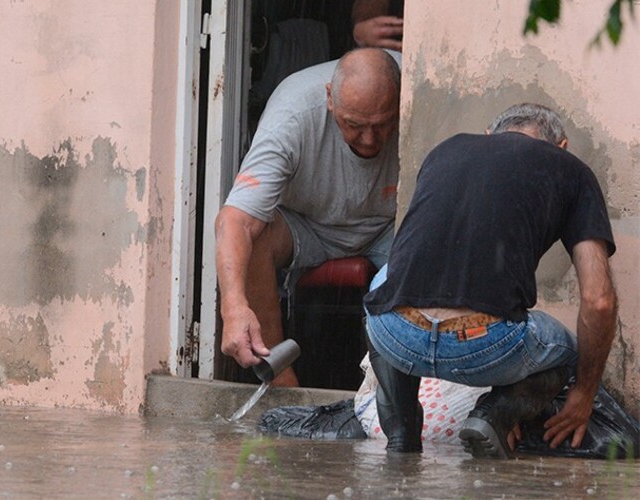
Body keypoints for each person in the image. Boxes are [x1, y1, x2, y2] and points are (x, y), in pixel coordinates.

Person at [363, 103, 618, 458]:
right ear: (560, 146)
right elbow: (599, 300)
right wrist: (582, 395)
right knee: (567, 350)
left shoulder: (446, 150)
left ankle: (402, 431)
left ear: (488, 136)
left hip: (395, 336)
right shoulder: (570, 169)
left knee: (385, 284)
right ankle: (493, 416)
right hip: (483, 346)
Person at [215, 48, 401, 387]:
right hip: (308, 223)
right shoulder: (294, 112)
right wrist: (233, 306)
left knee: (435, 249)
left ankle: (402, 390)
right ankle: (278, 379)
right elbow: (235, 220)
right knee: (256, 236)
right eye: (354, 125)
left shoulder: (424, 92)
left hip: (392, 225)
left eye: (382, 125)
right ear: (330, 99)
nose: (369, 140)